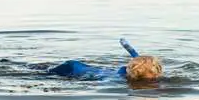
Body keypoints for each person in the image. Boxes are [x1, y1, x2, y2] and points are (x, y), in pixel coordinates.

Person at [31, 39, 163, 82]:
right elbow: (103, 82)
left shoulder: (126, 71)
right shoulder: (118, 77)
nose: (156, 77)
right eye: (153, 75)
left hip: (81, 66)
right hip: (71, 68)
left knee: (43, 68)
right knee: (44, 72)